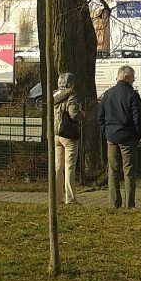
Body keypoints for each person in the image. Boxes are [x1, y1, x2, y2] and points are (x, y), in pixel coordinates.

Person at [98, 64, 141, 208]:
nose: (134, 80)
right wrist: (137, 135)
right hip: (128, 137)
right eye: (133, 78)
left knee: (113, 170)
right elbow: (137, 118)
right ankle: (129, 204)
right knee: (129, 171)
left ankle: (114, 202)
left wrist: (106, 132)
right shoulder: (132, 95)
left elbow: (100, 117)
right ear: (127, 77)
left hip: (111, 137)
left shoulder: (108, 94)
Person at [53, 71, 83, 205]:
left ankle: (56, 196)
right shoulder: (72, 96)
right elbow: (73, 115)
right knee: (69, 167)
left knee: (58, 167)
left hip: (56, 135)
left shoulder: (55, 95)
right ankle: (70, 198)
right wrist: (82, 113)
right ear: (71, 84)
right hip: (69, 135)